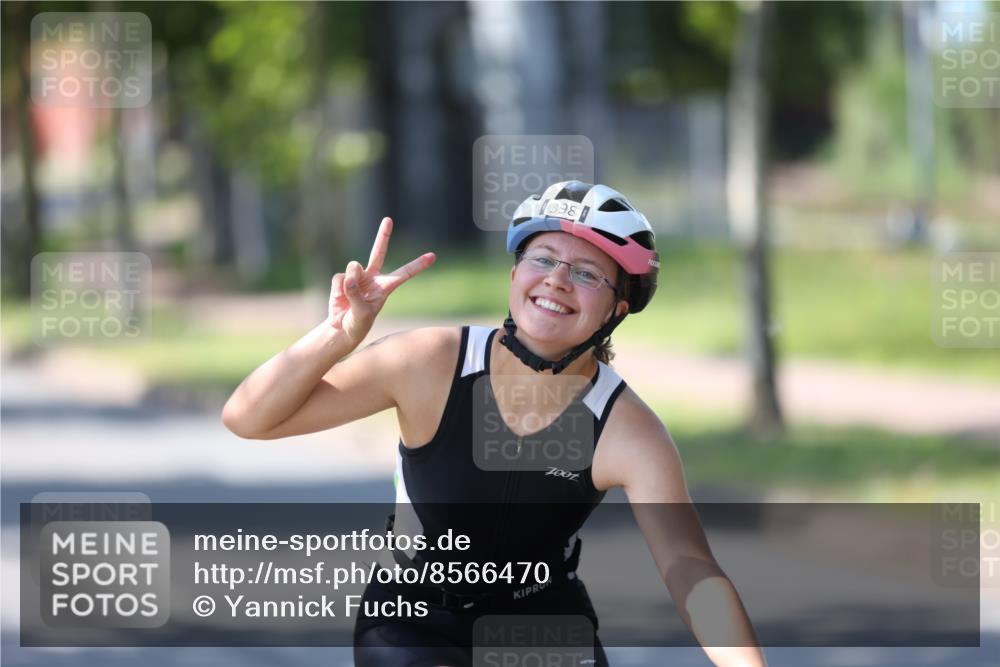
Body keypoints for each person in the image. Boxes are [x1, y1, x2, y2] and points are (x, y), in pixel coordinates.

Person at [222, 181, 767, 667]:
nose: (557, 280)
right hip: (413, 619)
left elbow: (689, 568)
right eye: (543, 258)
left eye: (586, 273)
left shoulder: (626, 428)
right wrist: (338, 336)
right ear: (514, 274)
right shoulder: (431, 362)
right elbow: (248, 418)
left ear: (617, 309)